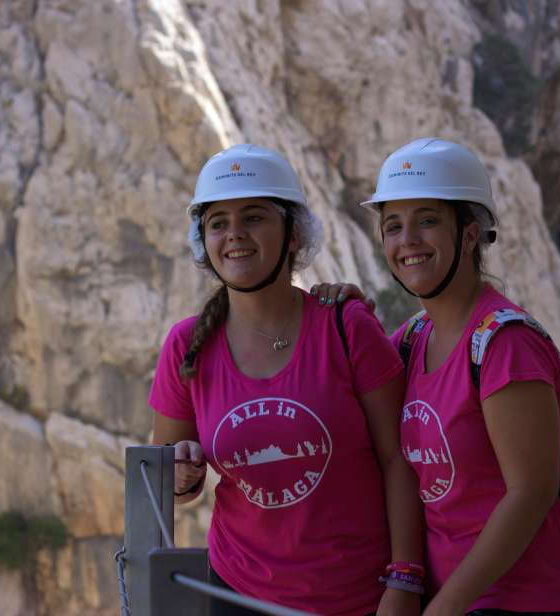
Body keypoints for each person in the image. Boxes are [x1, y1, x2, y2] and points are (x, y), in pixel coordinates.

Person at [317, 138, 560, 616]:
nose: (407, 240)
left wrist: (444, 607)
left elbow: (531, 492)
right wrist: (345, 315)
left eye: (427, 220)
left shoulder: (505, 344)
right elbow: (348, 409)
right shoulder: (413, 337)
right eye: (393, 226)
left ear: (470, 233)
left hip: (529, 600)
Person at [149, 144, 424, 616]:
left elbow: (398, 459)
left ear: (293, 234)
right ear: (204, 241)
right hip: (238, 594)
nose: (235, 234)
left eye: (254, 217)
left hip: (359, 596)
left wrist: (405, 579)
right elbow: (169, 479)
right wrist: (182, 473)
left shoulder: (346, 326)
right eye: (218, 223)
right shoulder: (187, 345)